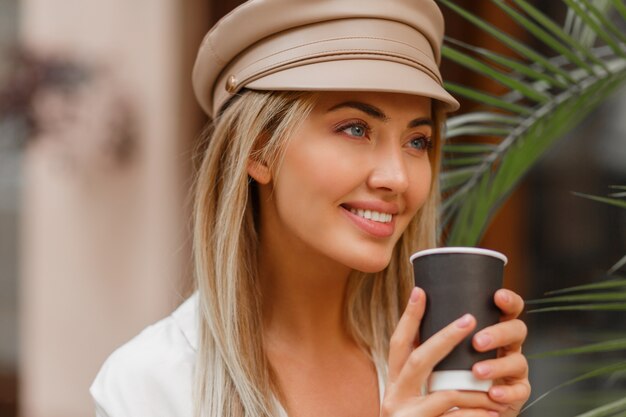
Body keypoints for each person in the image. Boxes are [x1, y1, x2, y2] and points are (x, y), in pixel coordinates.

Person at [90, 0, 531, 416]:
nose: (397, 177)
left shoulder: (440, 363)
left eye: (417, 141)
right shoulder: (152, 383)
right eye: (356, 128)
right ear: (259, 150)